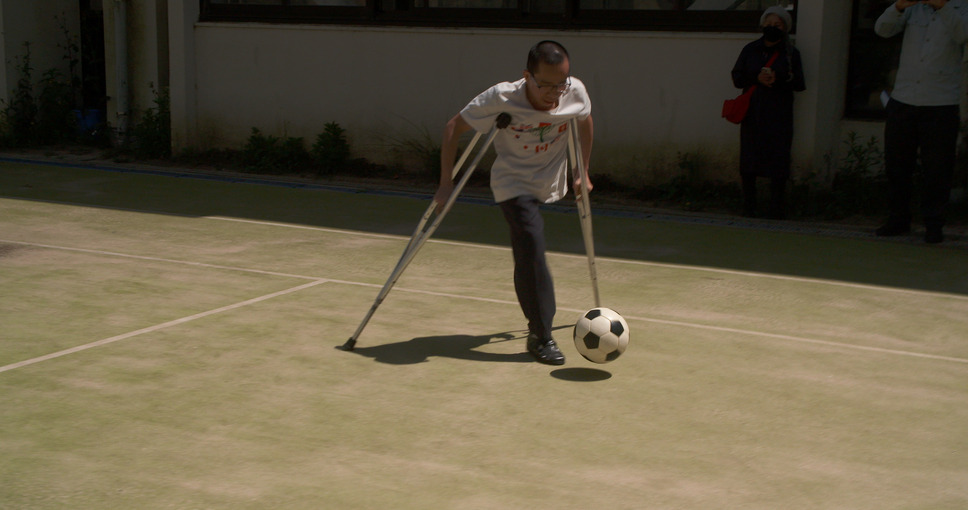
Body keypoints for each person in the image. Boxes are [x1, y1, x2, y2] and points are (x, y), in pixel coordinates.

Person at [433, 41, 593, 365]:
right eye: (545, 84)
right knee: (531, 243)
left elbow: (585, 121)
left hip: (550, 176)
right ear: (527, 76)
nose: (554, 93)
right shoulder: (502, 97)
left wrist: (583, 171)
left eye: (560, 83)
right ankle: (541, 335)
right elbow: (454, 127)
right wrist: (445, 184)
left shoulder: (574, 91)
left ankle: (539, 328)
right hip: (513, 181)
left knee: (529, 246)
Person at [874, 0, 968, 244]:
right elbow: (882, 29)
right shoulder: (913, 8)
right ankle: (898, 218)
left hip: (941, 102)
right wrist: (899, 6)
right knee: (897, 164)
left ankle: (934, 224)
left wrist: (942, 7)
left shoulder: (962, 8)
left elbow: (964, 34)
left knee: (937, 168)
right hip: (903, 98)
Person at [730, 6, 806, 219]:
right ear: (762, 25)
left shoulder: (791, 53)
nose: (772, 28)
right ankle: (749, 206)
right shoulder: (750, 49)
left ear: (786, 28)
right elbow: (737, 77)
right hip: (753, 112)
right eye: (769, 24)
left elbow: (800, 83)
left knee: (778, 159)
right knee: (749, 159)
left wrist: (778, 78)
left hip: (779, 114)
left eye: (778, 25)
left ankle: (776, 207)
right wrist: (756, 77)